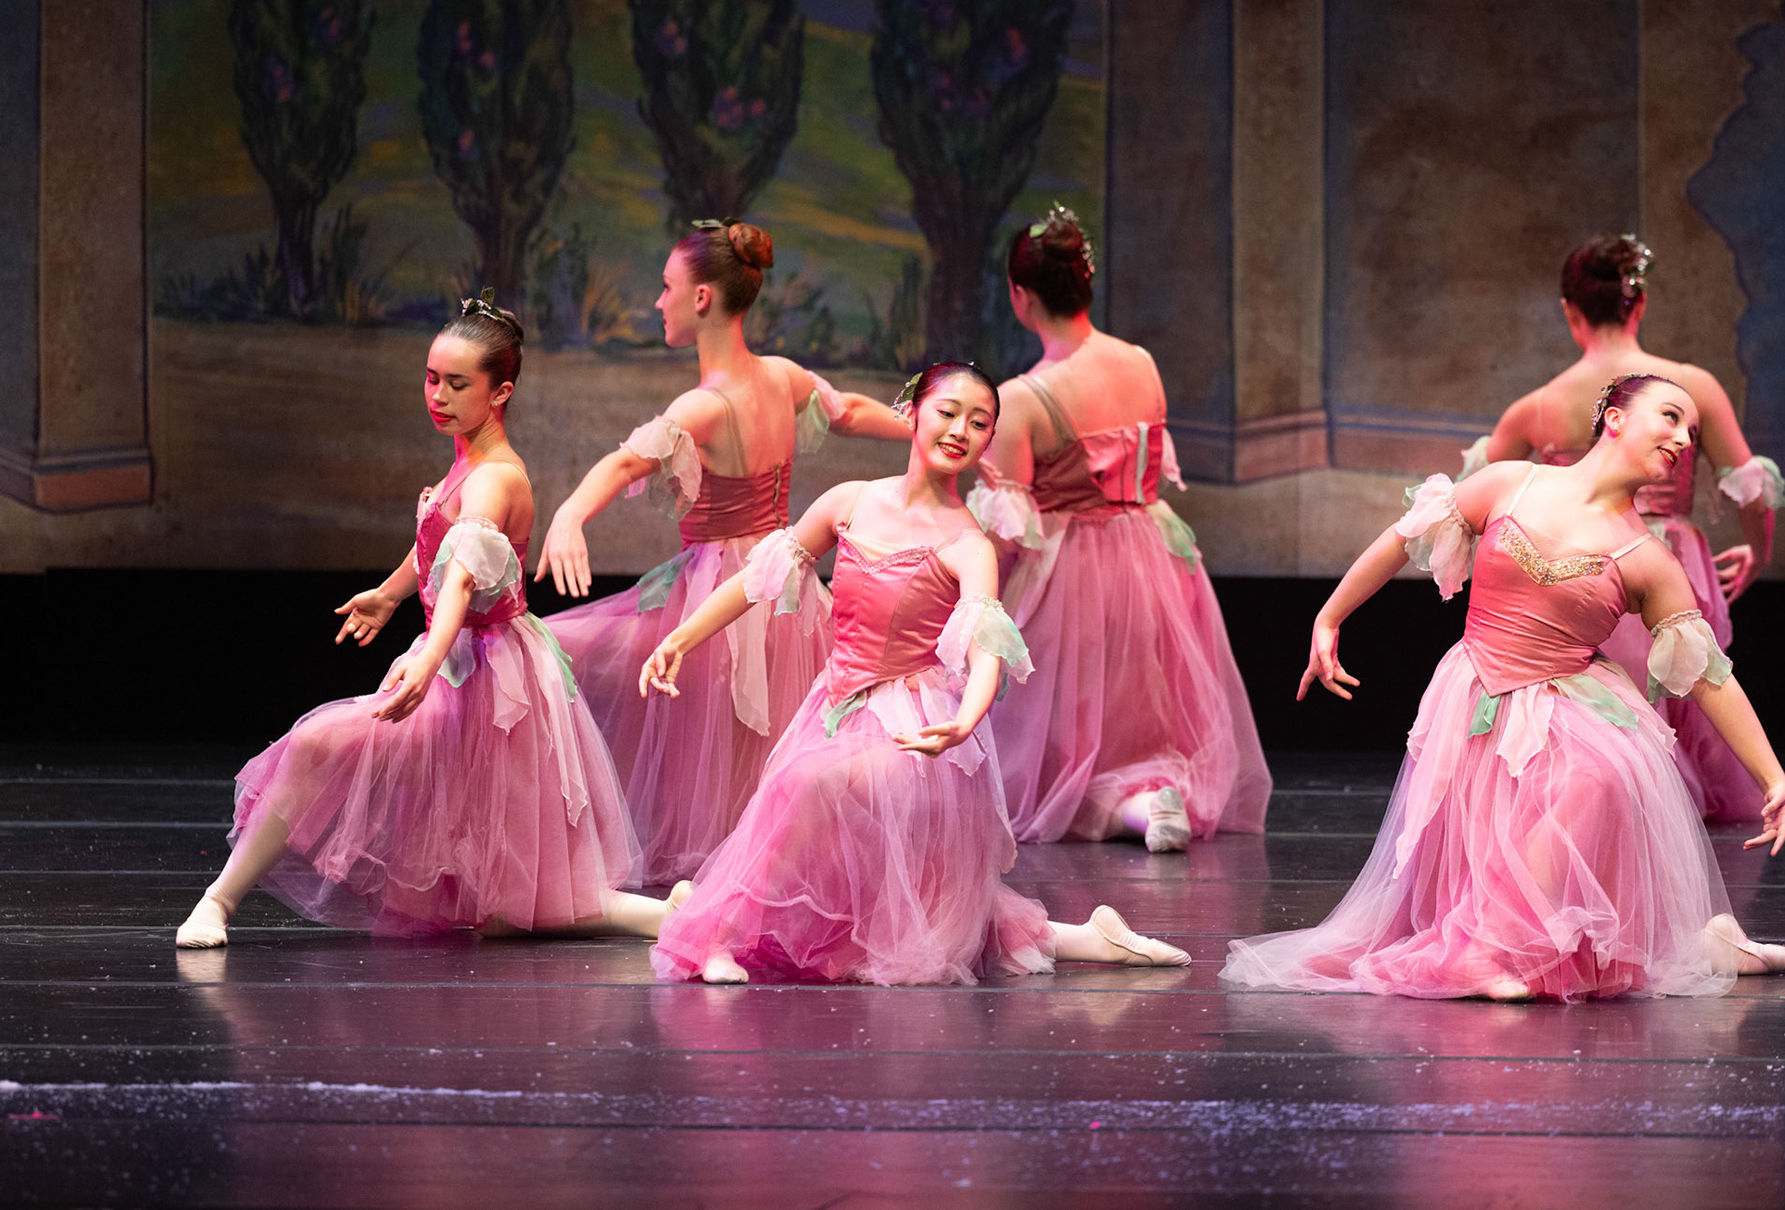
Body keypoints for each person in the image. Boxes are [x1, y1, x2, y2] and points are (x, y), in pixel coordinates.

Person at [1223, 373, 1785, 1000]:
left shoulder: (1648, 559)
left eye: (1690, 429)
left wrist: (1771, 775)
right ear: (1614, 417)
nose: (1684, 438)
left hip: (1567, 704)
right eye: (1669, 416)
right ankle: (1548, 947)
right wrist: (1329, 617)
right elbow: (1402, 538)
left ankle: (1491, 951)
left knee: (1599, 777)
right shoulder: (1511, 483)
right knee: (1480, 850)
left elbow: (1709, 676)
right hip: (1477, 696)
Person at [640, 363, 1192, 985]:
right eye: (948, 413)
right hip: (837, 707)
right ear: (911, 413)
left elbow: (985, 646)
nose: (960, 431)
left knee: (807, 784)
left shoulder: (968, 544)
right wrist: (681, 637)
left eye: (978, 423)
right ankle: (1090, 938)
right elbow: (758, 580)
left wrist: (966, 719)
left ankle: (719, 933)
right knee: (885, 894)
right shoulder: (850, 502)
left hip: (915, 730)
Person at [176, 293, 680, 948]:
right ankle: (218, 899)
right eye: (432, 378)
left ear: (500, 393)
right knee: (500, 906)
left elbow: (464, 575)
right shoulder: (467, 460)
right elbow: (439, 548)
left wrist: (430, 658)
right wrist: (390, 595)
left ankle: (671, 917)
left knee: (510, 903)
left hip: (494, 682)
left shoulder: (495, 479)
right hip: (468, 660)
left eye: (457, 384)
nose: (438, 396)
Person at [538, 222, 908, 885]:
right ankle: (766, 870)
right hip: (787, 586)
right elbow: (848, 410)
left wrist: (570, 513)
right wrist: (919, 427)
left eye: (667, 287)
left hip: (724, 588)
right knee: (755, 744)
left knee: (559, 657)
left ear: (702, 297)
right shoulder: (782, 376)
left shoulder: (706, 404)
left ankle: (740, 874)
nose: (659, 302)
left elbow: (625, 463)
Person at [964, 206, 1271, 853]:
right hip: (1149, 557)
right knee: (1137, 713)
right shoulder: (1140, 363)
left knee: (1049, 739)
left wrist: (971, 600)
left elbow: (1009, 530)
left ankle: (1129, 805)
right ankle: (1145, 799)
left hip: (1072, 570)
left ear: (1020, 296)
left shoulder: (1023, 398)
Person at [1459, 235, 1785, 821]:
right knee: (1682, 688)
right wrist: (1758, 552)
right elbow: (1752, 489)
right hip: (1666, 557)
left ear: (1570, 311)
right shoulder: (1688, 387)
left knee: (1597, 709)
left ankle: (1604, 818)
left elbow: (1478, 501)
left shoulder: (1539, 405)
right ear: (1640, 302)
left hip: (1577, 567)